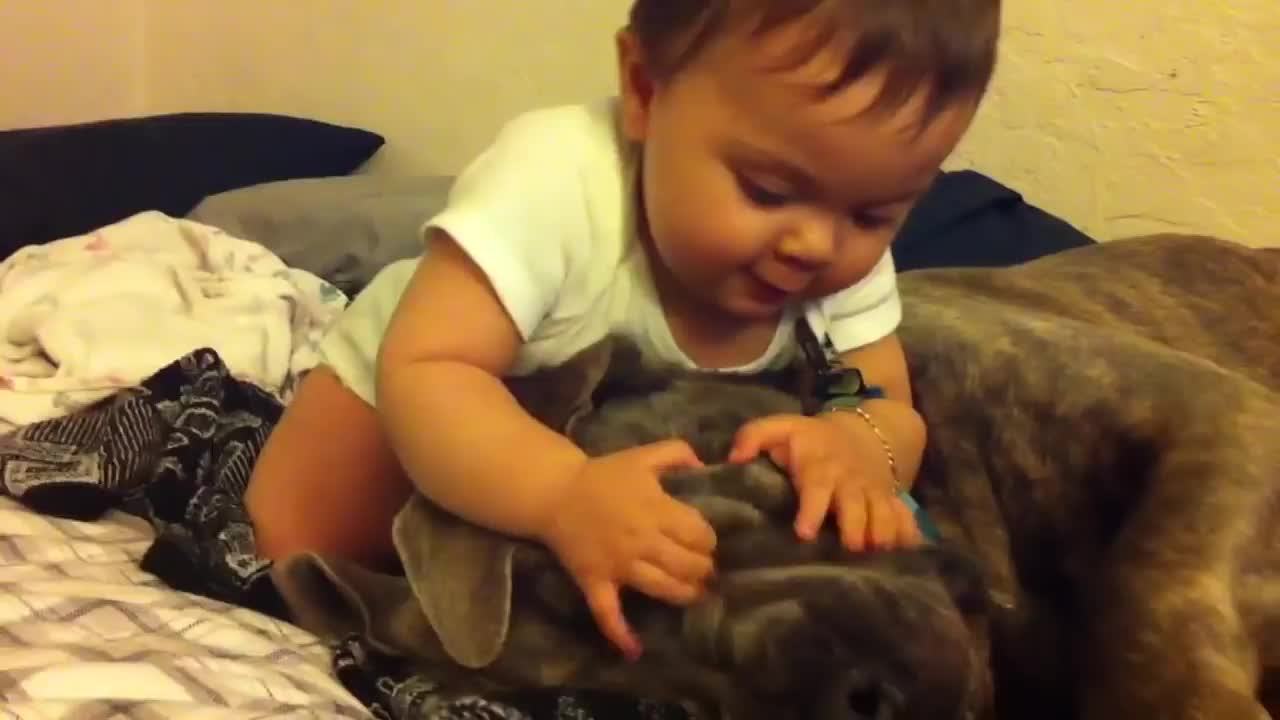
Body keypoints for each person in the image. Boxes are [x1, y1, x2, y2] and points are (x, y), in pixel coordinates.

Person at [245, 0, 1001, 660]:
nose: (816, 246)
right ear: (645, 90)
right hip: (429, 393)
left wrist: (861, 443)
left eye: (874, 215)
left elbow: (884, 400)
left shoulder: (833, 251)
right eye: (769, 191)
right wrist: (561, 493)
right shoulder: (558, 179)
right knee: (300, 555)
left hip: (611, 468)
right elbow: (432, 369)